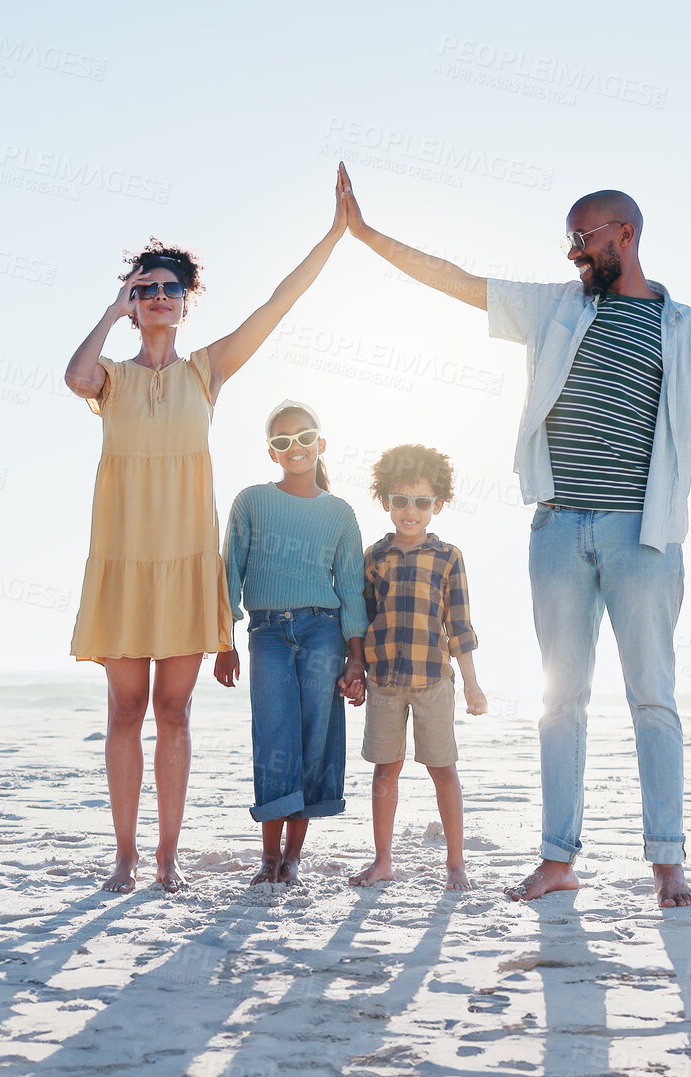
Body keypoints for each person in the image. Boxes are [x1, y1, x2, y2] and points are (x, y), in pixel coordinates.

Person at [334, 163, 691, 908]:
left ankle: (667, 863)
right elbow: (457, 282)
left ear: (624, 233)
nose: (572, 253)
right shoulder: (556, 308)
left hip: (643, 537)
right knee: (560, 702)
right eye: (568, 241)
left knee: (653, 697)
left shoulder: (685, 329)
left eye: (582, 239)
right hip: (556, 530)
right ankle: (557, 858)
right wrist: (364, 234)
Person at [64, 190, 349, 894]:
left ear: (187, 302)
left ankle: (166, 858)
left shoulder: (206, 372)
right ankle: (125, 856)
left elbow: (276, 306)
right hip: (126, 562)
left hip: (188, 562)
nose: (160, 297)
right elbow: (74, 376)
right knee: (126, 710)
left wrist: (336, 232)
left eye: (170, 288)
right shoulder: (114, 378)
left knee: (173, 712)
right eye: (146, 289)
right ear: (134, 302)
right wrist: (110, 309)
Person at [213, 401, 368, 885]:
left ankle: (292, 859)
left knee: (315, 736)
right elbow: (228, 571)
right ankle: (267, 859)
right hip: (267, 634)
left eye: (304, 437)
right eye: (282, 441)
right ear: (271, 453)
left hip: (324, 631)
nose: (294, 447)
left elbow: (351, 588)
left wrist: (356, 659)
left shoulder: (340, 513)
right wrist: (225, 640)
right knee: (274, 737)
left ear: (320, 444)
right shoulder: (251, 502)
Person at [350, 444, 485, 892]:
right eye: (401, 500)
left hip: (433, 683)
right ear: (385, 500)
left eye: (422, 502)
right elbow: (361, 620)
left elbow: (459, 625)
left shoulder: (448, 557)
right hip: (385, 681)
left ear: (438, 505)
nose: (411, 511)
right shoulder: (374, 558)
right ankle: (383, 860)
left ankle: (456, 862)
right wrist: (355, 671)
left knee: (442, 768)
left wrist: (471, 685)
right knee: (385, 769)